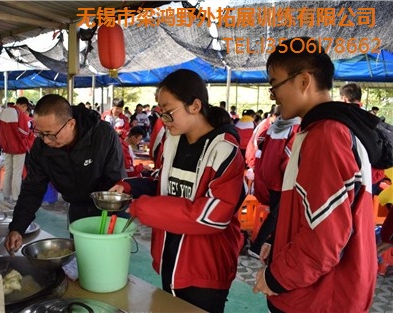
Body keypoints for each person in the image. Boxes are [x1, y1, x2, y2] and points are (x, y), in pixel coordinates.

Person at [252, 37, 378, 313]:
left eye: (274, 84)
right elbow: (313, 213)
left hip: (318, 299)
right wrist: (277, 242)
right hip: (320, 293)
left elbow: (326, 238)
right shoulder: (322, 129)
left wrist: (277, 277)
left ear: (304, 81)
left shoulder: (326, 135)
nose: (272, 95)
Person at [110, 69, 246, 313]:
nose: (163, 118)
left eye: (168, 111)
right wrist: (131, 186)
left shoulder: (225, 151)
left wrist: (142, 208)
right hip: (170, 259)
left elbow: (213, 216)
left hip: (205, 270)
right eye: (159, 112)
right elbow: (162, 182)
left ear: (195, 105)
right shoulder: (171, 140)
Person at [5, 94, 126, 254]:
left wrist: (109, 221)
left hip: (109, 211)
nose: (46, 140)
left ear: (71, 124)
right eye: (39, 133)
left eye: (50, 134)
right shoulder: (40, 147)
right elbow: (32, 190)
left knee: (108, 260)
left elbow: (115, 183)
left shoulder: (102, 135)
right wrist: (17, 228)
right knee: (82, 260)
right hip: (77, 209)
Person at [247, 114, 300, 259]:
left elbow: (260, 141)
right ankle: (258, 247)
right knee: (278, 215)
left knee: (277, 213)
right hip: (281, 180)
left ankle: (266, 246)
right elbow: (288, 160)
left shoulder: (274, 126)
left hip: (266, 176)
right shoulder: (295, 128)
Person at [0, 96, 33, 203]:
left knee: (8, 171)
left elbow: (0, 129)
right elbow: (24, 132)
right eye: (25, 108)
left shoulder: (4, 111)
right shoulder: (19, 113)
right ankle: (16, 197)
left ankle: (6, 195)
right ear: (24, 105)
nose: (25, 111)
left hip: (7, 147)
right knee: (17, 173)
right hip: (18, 147)